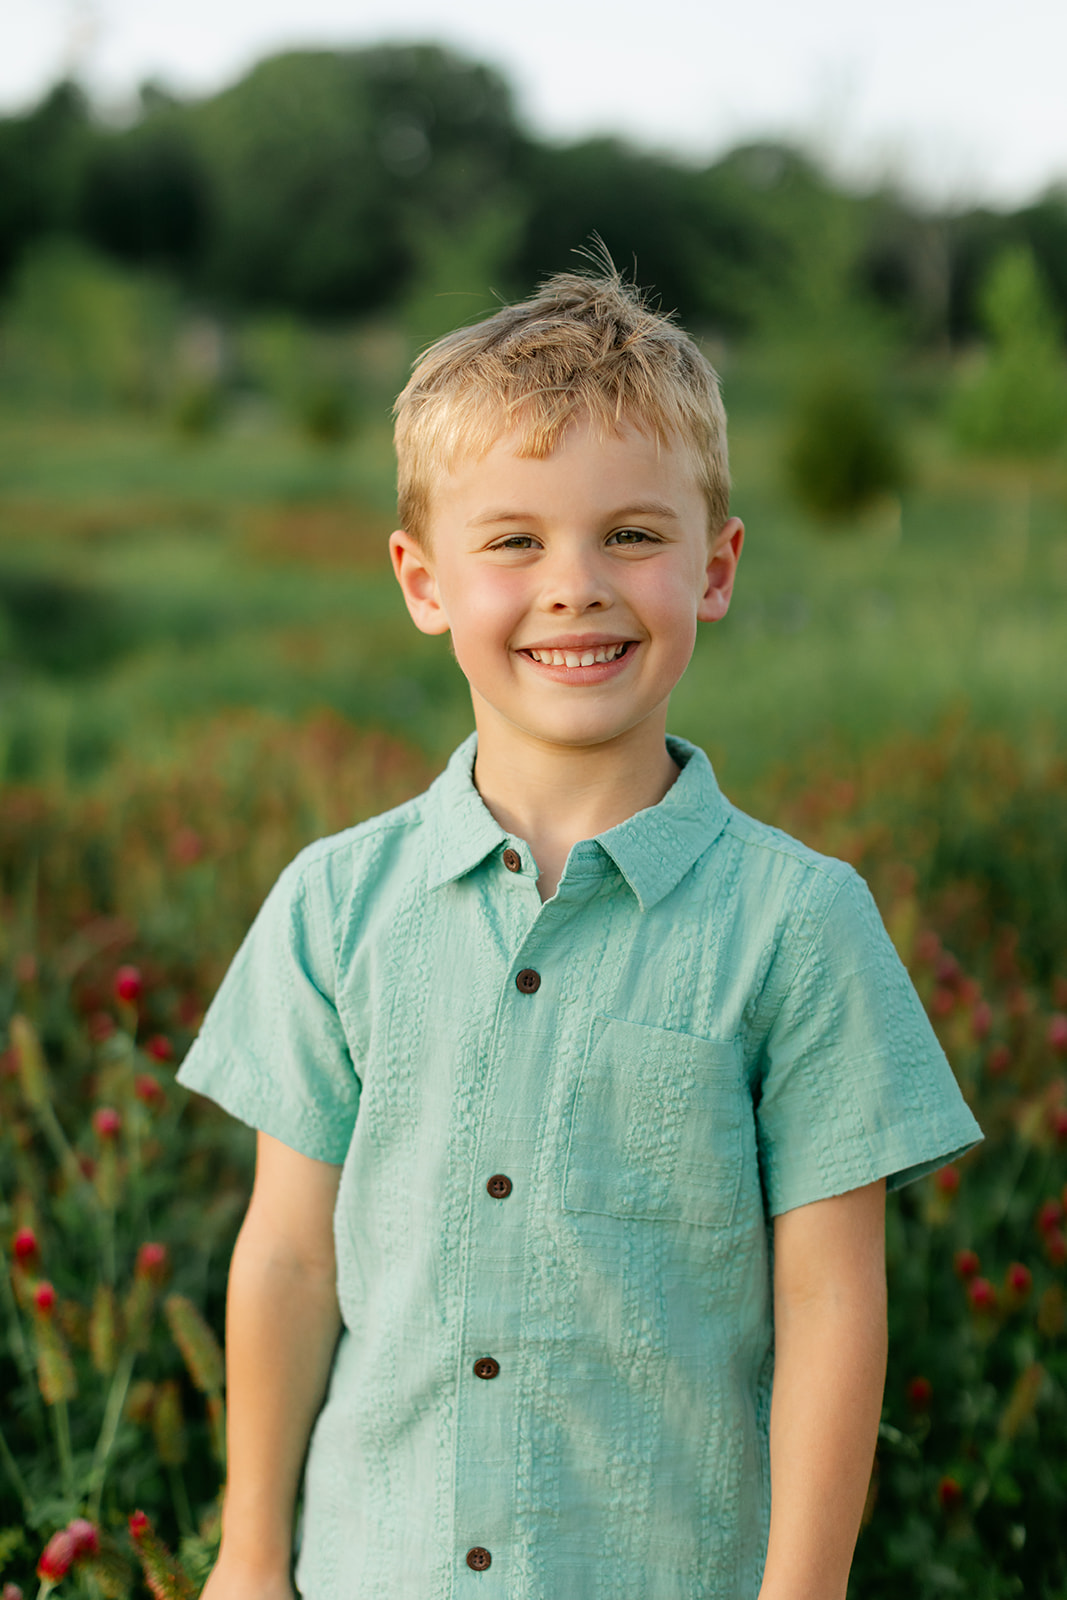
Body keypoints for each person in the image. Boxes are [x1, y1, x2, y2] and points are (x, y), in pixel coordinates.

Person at [179, 265, 981, 1600]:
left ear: (715, 569)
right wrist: (251, 1555)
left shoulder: (799, 922)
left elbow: (833, 1301)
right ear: (422, 581)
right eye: (512, 543)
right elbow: (288, 1254)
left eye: (631, 536)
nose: (575, 587)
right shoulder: (334, 904)